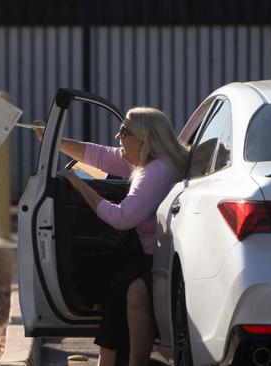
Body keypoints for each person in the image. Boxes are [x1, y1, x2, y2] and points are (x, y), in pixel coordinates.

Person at [34, 107, 188, 366]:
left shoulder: (156, 171)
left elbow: (121, 217)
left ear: (144, 139)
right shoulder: (146, 160)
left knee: (131, 290)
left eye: (124, 131)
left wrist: (78, 184)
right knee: (114, 285)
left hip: (162, 260)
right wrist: (53, 140)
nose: (118, 136)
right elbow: (100, 155)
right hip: (150, 253)